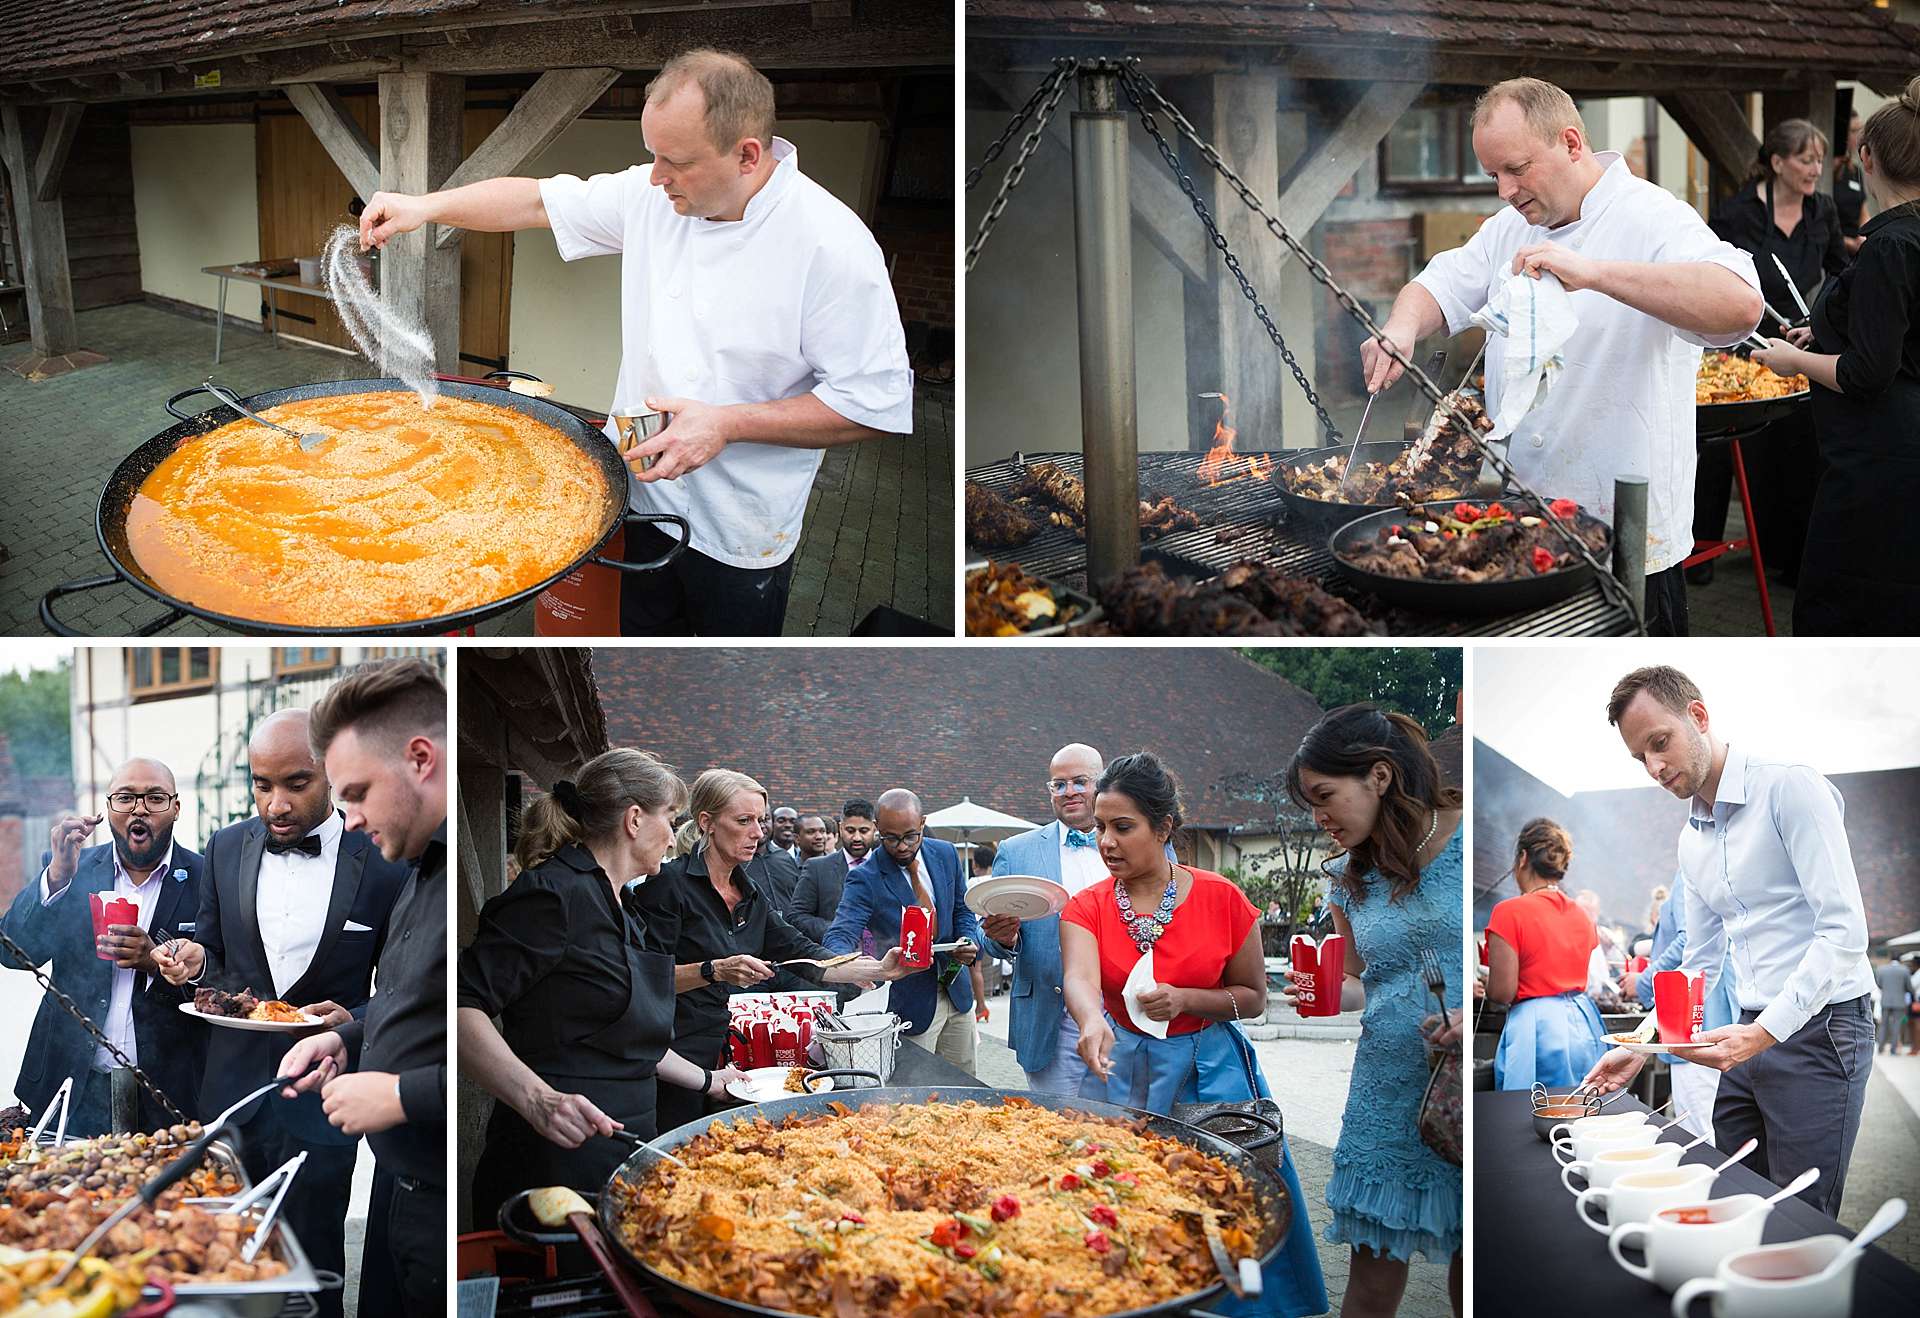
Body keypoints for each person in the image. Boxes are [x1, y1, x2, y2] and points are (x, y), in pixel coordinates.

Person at [357, 49, 913, 636]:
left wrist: (727, 423)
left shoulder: (834, 247)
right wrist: (424, 206)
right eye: (652, 155)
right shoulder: (655, 197)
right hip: (634, 490)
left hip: (741, 529)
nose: (655, 176)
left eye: (675, 161)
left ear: (748, 154)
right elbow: (535, 200)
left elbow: (871, 405)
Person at [1363, 78, 1762, 635]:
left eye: (1515, 169)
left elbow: (1741, 305)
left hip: (1629, 546)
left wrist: (1595, 274)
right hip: (1523, 531)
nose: (1503, 190)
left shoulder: (1652, 216)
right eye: (1492, 175)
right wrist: (1401, 328)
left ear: (1571, 144)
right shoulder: (1511, 226)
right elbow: (1442, 283)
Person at [1582, 666, 1873, 1216]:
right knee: (1737, 1196)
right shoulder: (1689, 841)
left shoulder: (1790, 786)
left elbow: (1845, 932)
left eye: (1659, 743)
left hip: (1826, 1029)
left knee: (1800, 1215)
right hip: (1745, 1028)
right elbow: (1700, 961)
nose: (1654, 767)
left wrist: (1764, 1033)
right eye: (1639, 757)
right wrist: (1645, 1048)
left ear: (1698, 715)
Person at [152, 710, 408, 1318]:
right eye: (262, 785)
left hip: (325, 1096)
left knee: (316, 1261)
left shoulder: (384, 859)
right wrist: (192, 963)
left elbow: (402, 990)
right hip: (231, 1093)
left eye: (296, 783)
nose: (277, 804)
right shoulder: (222, 848)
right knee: (226, 1255)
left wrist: (353, 1018)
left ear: (332, 773)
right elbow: (215, 964)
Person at [1063, 752, 1328, 1318]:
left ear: (1164, 827)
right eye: (1098, 829)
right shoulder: (1086, 906)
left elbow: (1254, 998)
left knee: (1223, 1196)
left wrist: (1188, 1000)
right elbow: (1079, 980)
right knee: (1125, 1196)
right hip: (1122, 1068)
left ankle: (1243, 1304)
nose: (1106, 842)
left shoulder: (1221, 898)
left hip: (1211, 1070)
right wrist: (1090, 1021)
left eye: (1122, 827)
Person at [458, 749, 748, 1225]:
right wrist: (536, 1100)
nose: (674, 838)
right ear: (635, 819)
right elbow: (461, 1004)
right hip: (552, 1162)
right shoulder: (551, 895)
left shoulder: (623, 907)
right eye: (670, 820)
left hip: (623, 1150)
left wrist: (712, 1082)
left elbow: (627, 1039)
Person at [278, 658, 450, 1309]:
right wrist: (352, 1035)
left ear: (420, 758)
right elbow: (418, 998)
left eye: (355, 792)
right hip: (394, 1189)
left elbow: (521, 1036)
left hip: (439, 1197)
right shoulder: (415, 866)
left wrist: (406, 1093)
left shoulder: (471, 872)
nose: (346, 818)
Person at [1282, 708, 1464, 1318]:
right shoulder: (1345, 876)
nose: (1318, 817)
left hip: (1467, 1086)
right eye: (1310, 803)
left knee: (1475, 1278)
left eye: (1325, 796)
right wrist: (1326, 993)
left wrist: (1474, 1012)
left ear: (1380, 777)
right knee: (1370, 1284)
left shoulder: (1470, 836)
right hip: (1386, 1091)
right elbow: (1361, 981)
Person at [630, 769, 899, 1131]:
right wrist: (716, 970)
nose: (758, 832)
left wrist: (875, 970)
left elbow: (800, 951)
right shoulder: (667, 885)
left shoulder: (748, 889)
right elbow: (642, 982)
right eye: (744, 821)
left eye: (760, 820)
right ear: (707, 822)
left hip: (724, 1044)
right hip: (671, 1053)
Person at [1752, 79, 1920, 634]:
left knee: (1851, 608)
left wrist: (1794, 362)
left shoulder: (1892, 247)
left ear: (1864, 158)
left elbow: (1868, 374)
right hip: (1896, 456)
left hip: (1880, 467)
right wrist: (1819, 338)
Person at [2, 759, 205, 1135]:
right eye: (126, 798)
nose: (139, 808)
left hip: (167, 1090)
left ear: (176, 807)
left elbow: (225, 981)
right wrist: (57, 876)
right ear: (109, 807)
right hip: (70, 1084)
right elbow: (13, 952)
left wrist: (152, 962)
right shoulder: (72, 868)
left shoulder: (206, 879)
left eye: (155, 798)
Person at [1694, 119, 1846, 587]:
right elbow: (1710, 272)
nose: (1815, 168)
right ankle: (1699, 554)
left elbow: (1839, 272)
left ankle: (1790, 557)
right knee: (1721, 450)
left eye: (1818, 159)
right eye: (1805, 159)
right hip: (1738, 342)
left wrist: (1819, 323)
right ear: (1777, 163)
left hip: (1797, 340)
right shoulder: (1736, 212)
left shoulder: (1823, 210)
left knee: (1799, 445)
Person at [979, 743, 1135, 1096]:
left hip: (1125, 1015)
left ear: (1103, 782)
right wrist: (1003, 938)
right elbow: (987, 936)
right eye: (1058, 785)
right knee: (1056, 1125)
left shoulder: (1137, 840)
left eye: (1080, 781)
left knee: (1123, 1123)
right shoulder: (1016, 851)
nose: (1069, 792)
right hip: (1050, 1017)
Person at [824, 789, 982, 1071]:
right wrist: (846, 965)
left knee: (965, 1083)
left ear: (922, 823)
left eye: (910, 836)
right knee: (918, 1088)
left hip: (957, 992)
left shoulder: (945, 854)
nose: (901, 847)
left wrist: (969, 941)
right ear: (877, 829)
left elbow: (962, 909)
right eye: (890, 838)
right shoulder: (865, 877)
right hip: (910, 1003)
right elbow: (841, 933)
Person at [1482, 819, 1606, 1091]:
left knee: (1528, 1114)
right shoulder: (1583, 915)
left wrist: (1487, 983)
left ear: (1523, 858)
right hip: (1585, 1022)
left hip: (1537, 1026)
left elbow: (1502, 992)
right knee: (1583, 1109)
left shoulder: (1509, 911)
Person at [1620, 877, 1724, 1143]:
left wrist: (1643, 981)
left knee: (1697, 1131)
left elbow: (1687, 942)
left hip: (1694, 1020)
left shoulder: (1691, 873)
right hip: (1704, 1014)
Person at [785, 799, 875, 942]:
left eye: (864, 831)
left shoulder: (888, 866)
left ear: (874, 828)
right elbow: (796, 917)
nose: (857, 838)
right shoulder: (817, 868)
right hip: (834, 956)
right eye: (850, 831)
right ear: (840, 828)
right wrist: (839, 930)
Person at [1836, 112, 1870, 258]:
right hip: (1836, 251)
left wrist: (1866, 236)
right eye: (1854, 130)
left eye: (1861, 129)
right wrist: (1848, 243)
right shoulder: (1824, 173)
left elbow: (1863, 210)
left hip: (1857, 251)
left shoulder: (1854, 170)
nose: (1860, 135)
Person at [1876, 951, 1912, 1056]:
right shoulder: (1905, 970)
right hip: (1899, 1001)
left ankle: (1880, 1048)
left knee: (1883, 1025)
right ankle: (1893, 1050)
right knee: (1896, 1025)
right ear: (1900, 960)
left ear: (1890, 958)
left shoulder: (1882, 969)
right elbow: (1908, 987)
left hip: (1885, 1000)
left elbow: (1879, 984)